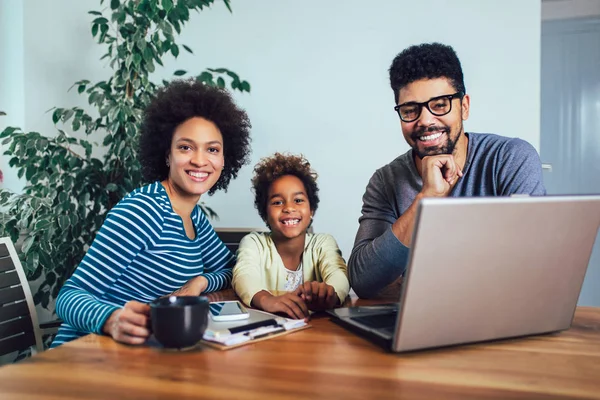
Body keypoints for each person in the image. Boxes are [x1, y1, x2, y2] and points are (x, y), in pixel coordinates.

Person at [51, 79, 252, 347]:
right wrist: (111, 319)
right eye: (185, 147)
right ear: (167, 154)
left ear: (225, 160)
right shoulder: (143, 210)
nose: (200, 160)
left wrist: (201, 282)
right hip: (86, 355)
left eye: (212, 149)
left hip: (141, 358)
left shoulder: (195, 218)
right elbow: (69, 296)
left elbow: (232, 269)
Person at [348, 42, 546, 298]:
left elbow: (531, 263)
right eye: (410, 110)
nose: (426, 121)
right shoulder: (385, 181)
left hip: (499, 316)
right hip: (416, 325)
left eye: (440, 105)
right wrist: (425, 200)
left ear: (464, 106)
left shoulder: (511, 159)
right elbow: (364, 281)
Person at [232, 153, 349, 319]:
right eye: (278, 202)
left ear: (312, 210)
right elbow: (244, 276)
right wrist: (267, 300)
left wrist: (329, 294)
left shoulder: (323, 243)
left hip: (315, 331)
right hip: (268, 332)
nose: (289, 208)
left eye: (299, 200)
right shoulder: (253, 243)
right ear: (265, 213)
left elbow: (339, 275)